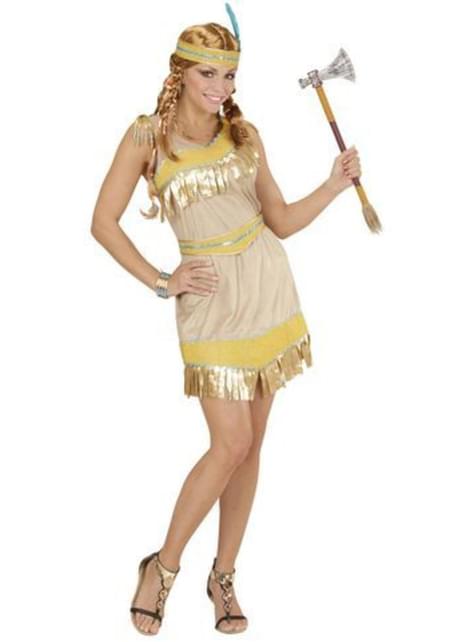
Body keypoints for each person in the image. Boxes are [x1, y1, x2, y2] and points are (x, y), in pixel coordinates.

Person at [90, 10, 361, 637]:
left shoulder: (244, 133)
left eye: (230, 75)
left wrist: (334, 185)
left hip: (267, 288)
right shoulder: (147, 136)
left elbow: (280, 221)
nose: (221, 86)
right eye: (208, 73)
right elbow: (102, 223)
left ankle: (225, 575)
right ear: (180, 73)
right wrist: (163, 279)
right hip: (209, 301)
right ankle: (162, 567)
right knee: (229, 443)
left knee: (250, 446)